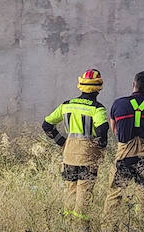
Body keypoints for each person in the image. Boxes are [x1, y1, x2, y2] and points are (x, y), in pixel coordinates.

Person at [42, 68, 109, 217]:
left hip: (69, 154)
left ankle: (68, 225)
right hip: (87, 156)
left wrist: (62, 142)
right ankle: (81, 228)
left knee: (71, 190)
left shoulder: (66, 105)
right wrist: (100, 148)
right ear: (99, 88)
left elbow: (46, 125)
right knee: (84, 192)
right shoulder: (97, 109)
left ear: (80, 85)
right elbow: (102, 134)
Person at [103, 70, 144, 216]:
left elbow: (114, 128)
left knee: (115, 193)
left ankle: (108, 231)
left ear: (133, 84)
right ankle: (140, 229)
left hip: (124, 154)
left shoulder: (118, 103)